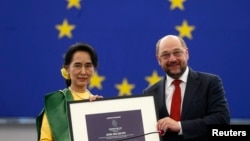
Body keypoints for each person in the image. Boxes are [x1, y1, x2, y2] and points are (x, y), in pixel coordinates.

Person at [142, 35, 230, 141]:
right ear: (158, 59)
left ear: (186, 53)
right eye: (165, 55)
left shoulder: (210, 83)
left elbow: (222, 120)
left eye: (177, 52)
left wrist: (180, 126)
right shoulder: (150, 93)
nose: (172, 59)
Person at [36, 43, 103, 141]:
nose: (83, 72)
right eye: (77, 66)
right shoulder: (56, 104)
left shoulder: (98, 103)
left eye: (88, 66)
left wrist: (101, 112)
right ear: (67, 68)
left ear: (94, 69)